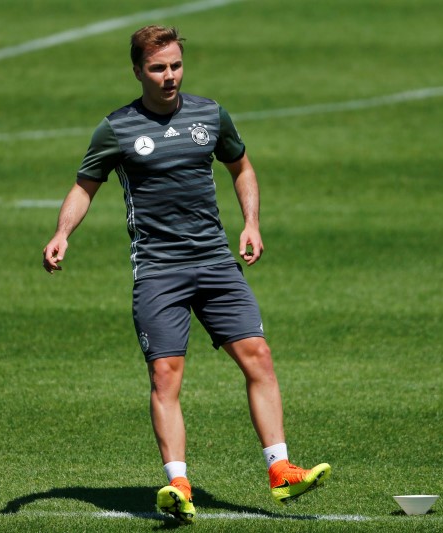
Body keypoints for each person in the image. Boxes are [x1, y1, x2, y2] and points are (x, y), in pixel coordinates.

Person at [42, 25, 330, 523]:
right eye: (158, 68)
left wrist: (253, 223)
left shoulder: (210, 113)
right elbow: (84, 185)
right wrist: (63, 232)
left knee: (258, 356)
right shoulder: (116, 128)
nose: (169, 75)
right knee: (165, 374)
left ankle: (280, 470)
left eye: (175, 65)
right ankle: (177, 483)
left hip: (216, 261)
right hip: (158, 271)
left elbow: (241, 166)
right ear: (138, 71)